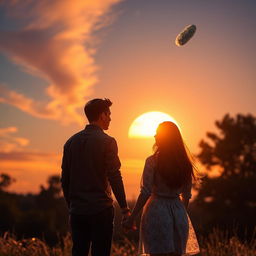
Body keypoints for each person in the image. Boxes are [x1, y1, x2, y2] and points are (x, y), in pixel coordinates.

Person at [61, 98, 130, 256]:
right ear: (102, 115)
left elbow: (65, 180)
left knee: (79, 252)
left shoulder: (70, 142)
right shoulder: (108, 142)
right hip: (101, 210)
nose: (110, 118)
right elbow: (114, 176)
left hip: (77, 211)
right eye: (109, 114)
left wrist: (71, 207)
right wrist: (125, 208)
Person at [123, 121, 200, 256]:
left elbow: (146, 192)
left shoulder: (152, 161)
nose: (154, 136)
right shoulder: (185, 164)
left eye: (157, 134)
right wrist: (179, 214)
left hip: (156, 212)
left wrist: (131, 217)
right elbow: (186, 196)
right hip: (179, 213)